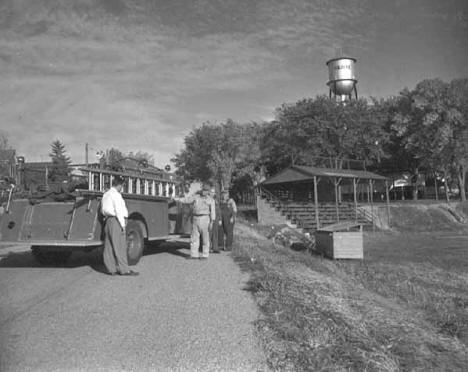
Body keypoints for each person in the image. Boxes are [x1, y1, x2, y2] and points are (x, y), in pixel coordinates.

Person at [101, 176, 139, 276]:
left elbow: (103, 210)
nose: (122, 187)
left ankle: (111, 269)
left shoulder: (106, 194)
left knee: (109, 246)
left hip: (108, 220)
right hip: (117, 220)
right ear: (119, 185)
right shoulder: (116, 195)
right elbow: (118, 210)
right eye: (122, 185)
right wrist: (123, 225)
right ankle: (124, 269)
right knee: (120, 246)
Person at [189, 184, 215, 259]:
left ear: (208, 191)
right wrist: (177, 199)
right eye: (203, 190)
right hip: (195, 218)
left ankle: (205, 255)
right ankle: (194, 255)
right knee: (194, 238)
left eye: (206, 190)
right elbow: (188, 200)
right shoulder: (196, 197)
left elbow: (213, 212)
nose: (204, 191)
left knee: (205, 238)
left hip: (205, 218)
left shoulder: (210, 200)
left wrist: (212, 222)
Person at [209, 188, 221, 253]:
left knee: (215, 233)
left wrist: (220, 219)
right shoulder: (207, 200)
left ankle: (215, 248)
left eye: (213, 192)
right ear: (209, 192)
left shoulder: (216, 200)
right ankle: (207, 247)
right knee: (209, 233)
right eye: (211, 192)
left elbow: (219, 210)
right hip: (209, 218)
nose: (212, 193)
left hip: (216, 218)